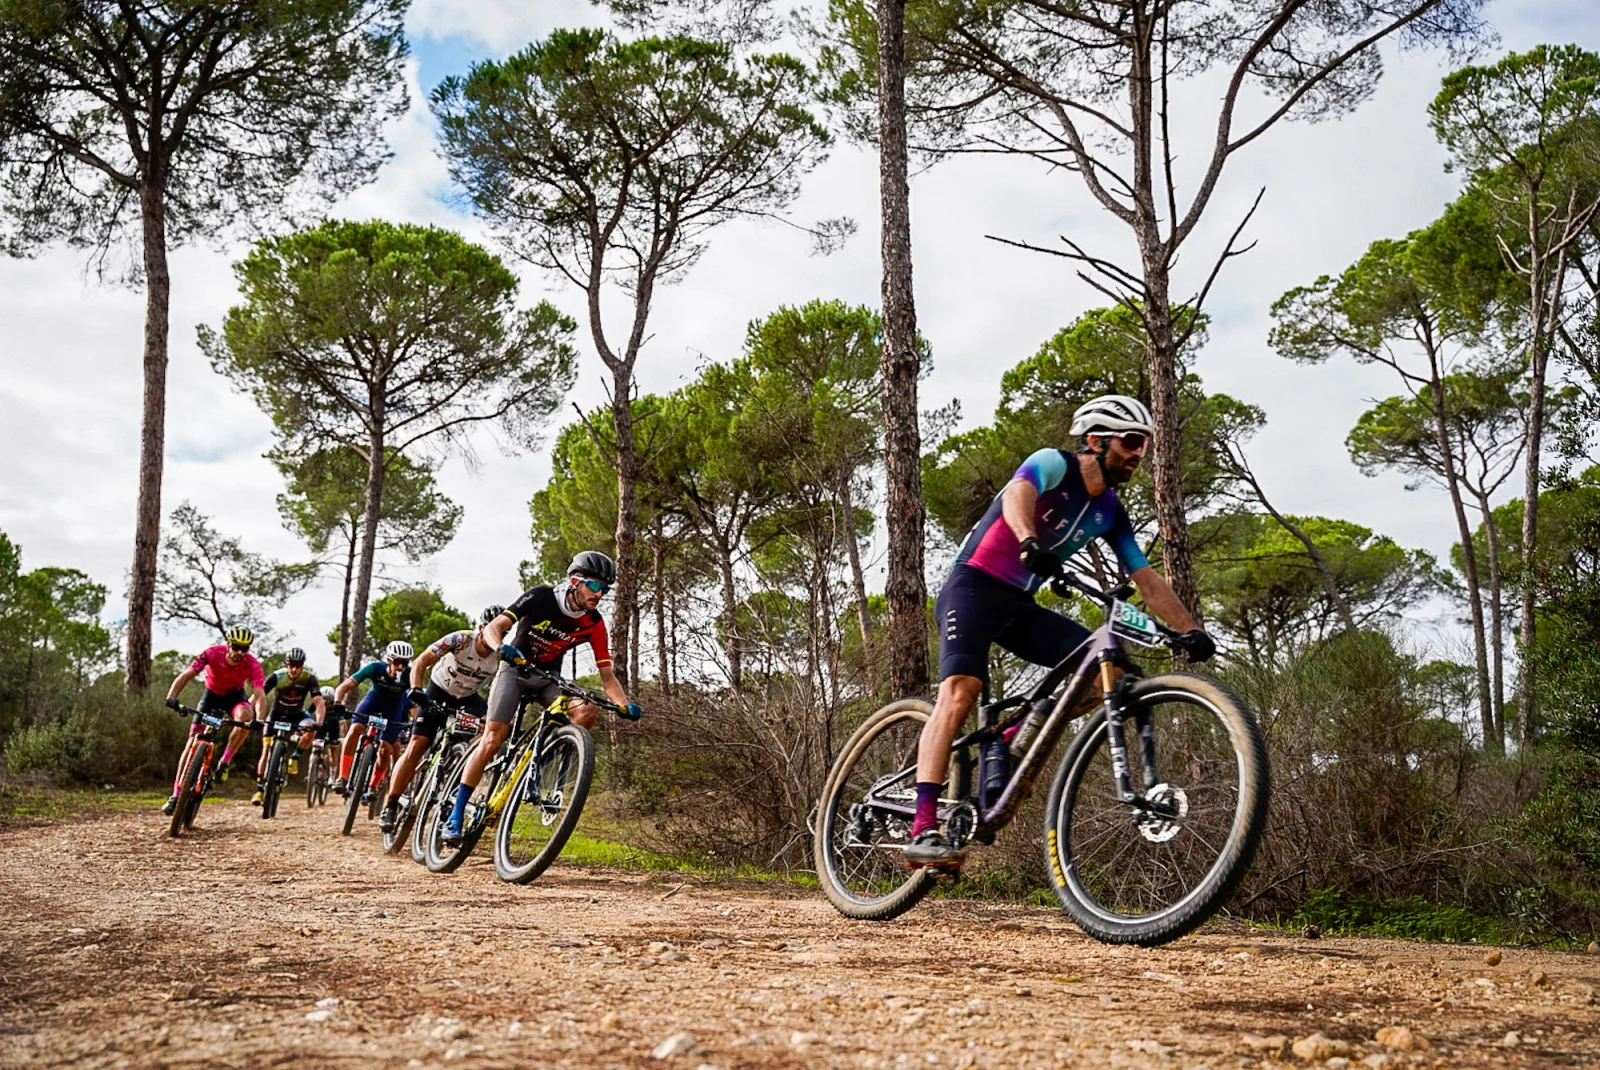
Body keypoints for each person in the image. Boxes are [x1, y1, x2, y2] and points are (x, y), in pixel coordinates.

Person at [901, 395, 1217, 869]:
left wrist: (1192, 630)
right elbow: (1017, 494)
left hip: (1019, 604)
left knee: (1105, 677)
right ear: (1095, 440)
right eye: (1132, 441)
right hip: (972, 588)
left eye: (1144, 446)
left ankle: (1007, 735)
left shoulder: (1111, 511)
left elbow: (1146, 579)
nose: (1138, 454)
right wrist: (1028, 541)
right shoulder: (1053, 464)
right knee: (962, 691)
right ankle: (924, 826)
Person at [440, 552, 642, 845]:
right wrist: (501, 648)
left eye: (606, 589)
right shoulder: (541, 597)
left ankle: (540, 758)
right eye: (596, 587)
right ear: (575, 582)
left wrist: (624, 704)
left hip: (548, 678)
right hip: (515, 671)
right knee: (493, 739)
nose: (601, 595)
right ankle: (455, 815)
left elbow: (607, 676)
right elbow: (496, 627)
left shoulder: (594, 623)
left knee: (586, 711)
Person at [374, 605, 503, 833]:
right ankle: (391, 804)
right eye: (492, 630)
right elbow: (422, 661)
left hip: (468, 698)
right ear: (481, 628)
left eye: (502, 632)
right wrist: (416, 689)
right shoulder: (460, 640)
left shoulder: (501, 655)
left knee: (490, 729)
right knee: (417, 745)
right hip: (439, 691)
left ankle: (460, 763)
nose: (497, 636)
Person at [161, 626, 266, 814]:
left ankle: (224, 762)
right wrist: (172, 696)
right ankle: (176, 795)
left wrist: (260, 719)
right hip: (211, 696)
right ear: (228, 644)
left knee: (245, 718)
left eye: (245, 648)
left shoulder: (252, 664)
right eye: (236, 647)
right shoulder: (211, 653)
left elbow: (259, 694)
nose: (240, 652)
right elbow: (187, 674)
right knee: (192, 741)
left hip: (235, 697)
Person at [332, 641, 423, 801]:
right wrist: (338, 702)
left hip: (394, 708)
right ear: (388, 660)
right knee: (355, 730)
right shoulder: (375, 668)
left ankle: (373, 786)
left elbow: (415, 703)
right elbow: (345, 686)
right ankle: (342, 777)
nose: (401, 667)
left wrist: (417, 721)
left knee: (385, 748)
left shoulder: (409, 675)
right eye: (397, 662)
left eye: (405, 662)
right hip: (373, 700)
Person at [252, 648, 326, 805]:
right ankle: (259, 790)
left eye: (298, 666)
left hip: (297, 715)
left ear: (302, 665)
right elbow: (259, 695)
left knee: (310, 728)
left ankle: (295, 757)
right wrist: (246, 710)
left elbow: (318, 702)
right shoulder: (278, 676)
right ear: (287, 664)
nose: (294, 669)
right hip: (276, 714)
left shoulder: (309, 678)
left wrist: (319, 722)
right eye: (291, 665)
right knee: (266, 750)